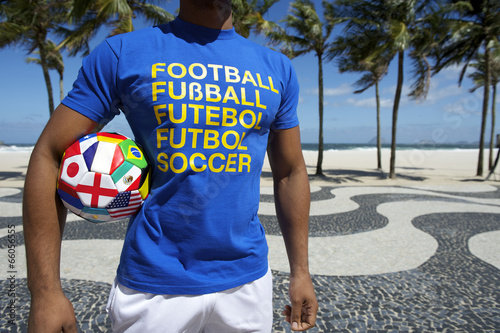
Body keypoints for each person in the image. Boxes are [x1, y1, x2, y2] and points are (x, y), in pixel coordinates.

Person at [23, 0, 318, 331]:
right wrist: (45, 293)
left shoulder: (276, 67)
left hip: (247, 283)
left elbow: (290, 173)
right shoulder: (122, 53)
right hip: (152, 288)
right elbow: (49, 154)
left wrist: (301, 272)